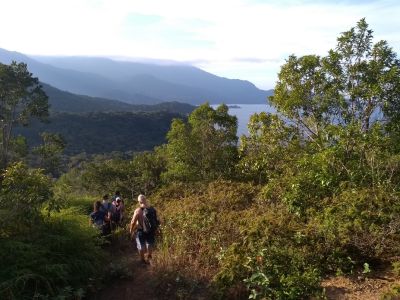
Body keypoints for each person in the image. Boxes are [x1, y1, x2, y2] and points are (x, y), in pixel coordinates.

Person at [129, 194, 160, 265]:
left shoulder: (138, 210)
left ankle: (142, 261)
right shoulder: (152, 209)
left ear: (139, 202)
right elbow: (158, 220)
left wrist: (131, 230)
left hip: (141, 231)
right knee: (149, 243)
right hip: (151, 230)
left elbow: (133, 221)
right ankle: (149, 257)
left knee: (141, 246)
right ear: (145, 200)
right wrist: (157, 229)